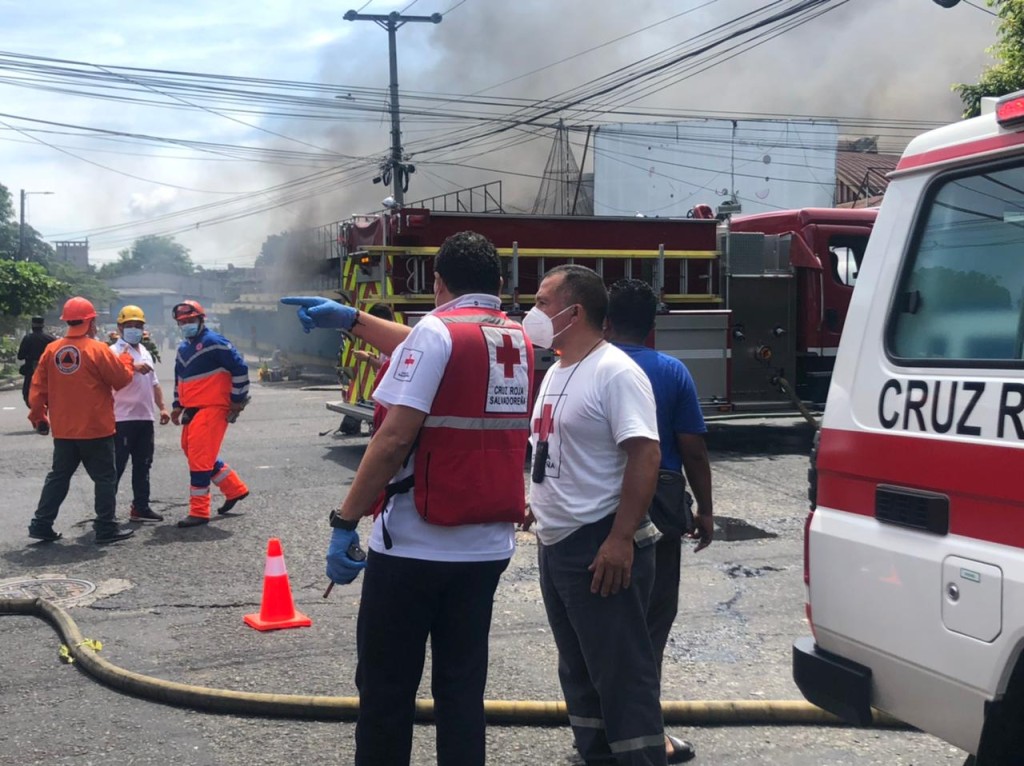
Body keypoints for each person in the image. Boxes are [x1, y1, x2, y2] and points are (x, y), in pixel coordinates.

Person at [281, 230, 534, 766]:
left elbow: (393, 439)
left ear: (439, 282)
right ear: (497, 282)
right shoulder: (514, 338)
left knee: (387, 692)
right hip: (487, 546)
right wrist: (351, 319)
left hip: (417, 546)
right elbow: (435, 351)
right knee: (462, 693)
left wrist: (345, 520)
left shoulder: (438, 331)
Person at [523, 265, 665, 766]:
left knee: (621, 673)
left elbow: (645, 454)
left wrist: (621, 538)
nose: (532, 312)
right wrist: (535, 502)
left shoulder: (615, 371)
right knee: (579, 670)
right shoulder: (559, 369)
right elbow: (553, 449)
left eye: (542, 302)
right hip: (557, 542)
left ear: (574, 312)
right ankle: (596, 755)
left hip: (598, 543)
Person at [606, 279, 715, 765]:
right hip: (659, 505)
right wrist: (705, 510)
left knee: (602, 624)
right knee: (651, 624)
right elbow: (692, 447)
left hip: (599, 506)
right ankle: (648, 737)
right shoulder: (672, 371)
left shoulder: (588, 366)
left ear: (606, 320)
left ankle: (597, 731)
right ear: (654, 325)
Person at [26, 297, 142, 544]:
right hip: (95, 428)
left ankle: (41, 523)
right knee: (104, 478)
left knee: (58, 476)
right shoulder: (97, 349)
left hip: (65, 429)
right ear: (90, 321)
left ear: (67, 321)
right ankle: (106, 527)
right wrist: (127, 361)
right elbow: (121, 380)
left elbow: (37, 389)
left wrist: (38, 417)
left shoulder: (52, 350)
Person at [170, 299, 251, 528]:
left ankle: (199, 511)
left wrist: (237, 400)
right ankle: (234, 489)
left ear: (200, 319)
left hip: (213, 408)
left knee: (199, 457)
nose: (186, 324)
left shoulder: (215, 342)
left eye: (189, 320)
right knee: (193, 451)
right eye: (182, 321)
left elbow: (240, 369)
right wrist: (177, 405)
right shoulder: (184, 348)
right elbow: (180, 380)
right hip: (193, 409)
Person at [111, 305, 171, 524]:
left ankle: (141, 507)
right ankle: (106, 513)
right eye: (129, 326)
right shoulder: (113, 352)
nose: (134, 329)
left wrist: (162, 407)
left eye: (138, 326)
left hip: (145, 418)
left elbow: (154, 384)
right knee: (116, 468)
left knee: (143, 464)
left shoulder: (145, 351)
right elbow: (112, 375)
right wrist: (132, 367)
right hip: (121, 419)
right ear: (119, 327)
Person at [17, 316, 56, 407]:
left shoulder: (28, 338)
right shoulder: (51, 339)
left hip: (31, 371)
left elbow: (20, 356)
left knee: (27, 393)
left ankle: (37, 415)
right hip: (47, 372)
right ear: (43, 325)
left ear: (32, 325)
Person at [351, 303, 396, 372]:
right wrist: (375, 357)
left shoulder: (394, 338)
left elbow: (391, 368)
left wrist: (368, 359)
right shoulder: (388, 335)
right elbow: (387, 361)